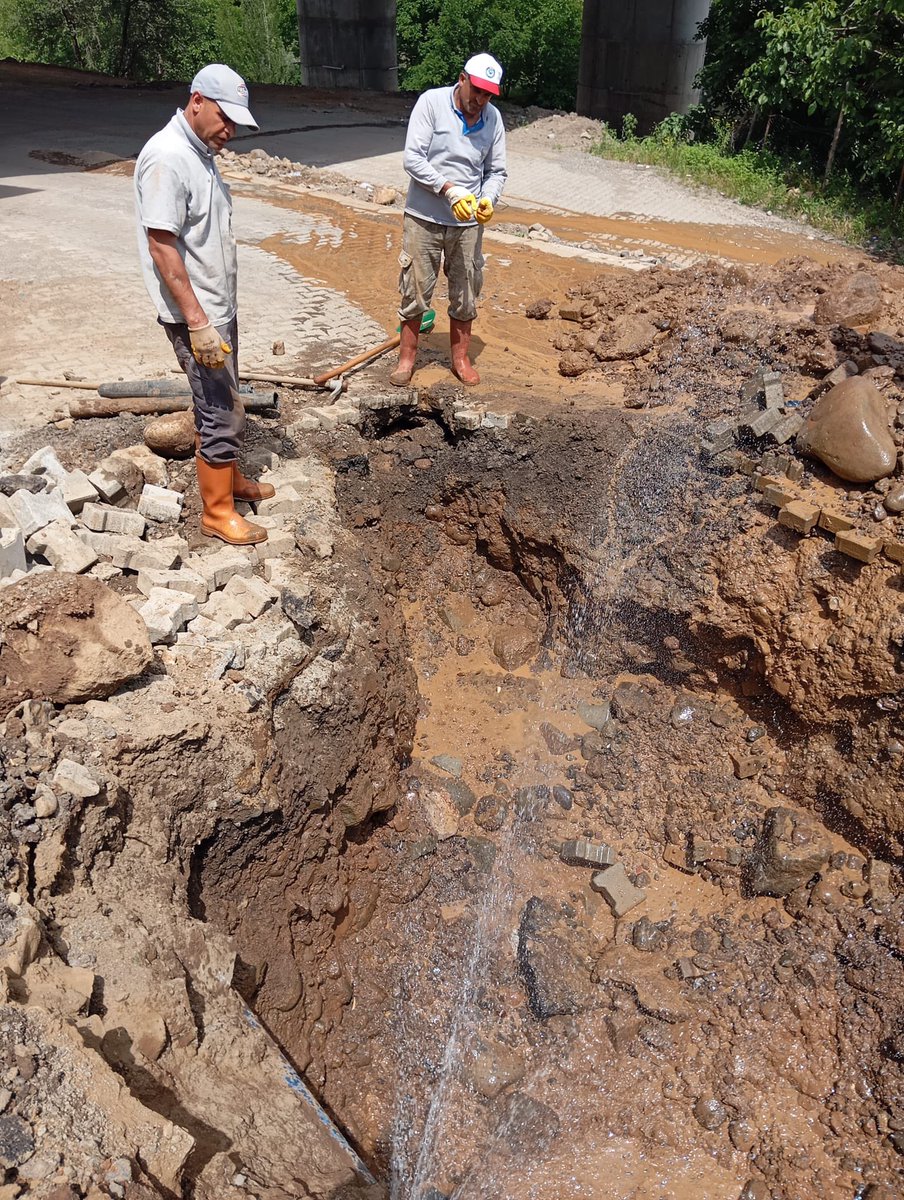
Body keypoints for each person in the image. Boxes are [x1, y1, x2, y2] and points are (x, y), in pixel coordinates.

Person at [134, 63, 274, 547]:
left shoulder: (200, 151)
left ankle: (231, 482)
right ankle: (217, 512)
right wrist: (197, 322)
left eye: (236, 121)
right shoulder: (168, 158)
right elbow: (162, 246)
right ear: (197, 100)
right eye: (224, 117)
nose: (230, 130)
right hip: (196, 315)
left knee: (229, 397)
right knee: (217, 408)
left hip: (217, 307)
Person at [391, 52, 507, 388]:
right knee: (414, 288)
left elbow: (496, 170)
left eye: (488, 95)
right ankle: (407, 358)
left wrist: (487, 198)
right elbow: (412, 158)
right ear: (462, 79)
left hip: (467, 223)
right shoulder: (431, 103)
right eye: (477, 92)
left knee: (466, 289)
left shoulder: (493, 120)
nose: (481, 101)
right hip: (424, 216)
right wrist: (447, 189)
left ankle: (460, 358)